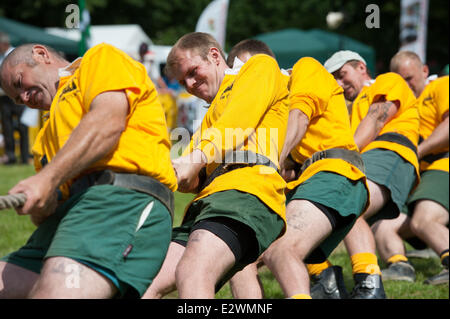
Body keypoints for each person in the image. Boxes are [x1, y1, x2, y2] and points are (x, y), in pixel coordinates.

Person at [0, 42, 177, 298]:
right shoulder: (44, 138)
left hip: (120, 201)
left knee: (56, 292)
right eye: (18, 99)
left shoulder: (97, 59)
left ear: (41, 54)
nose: (25, 99)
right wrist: (40, 202)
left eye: (20, 83)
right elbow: (49, 206)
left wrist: (46, 179)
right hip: (68, 219)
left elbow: (108, 122)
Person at [142, 32, 289, 299]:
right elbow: (191, 177)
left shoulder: (259, 66)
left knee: (193, 271)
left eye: (192, 71)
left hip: (248, 192)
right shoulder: (210, 117)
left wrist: (194, 160)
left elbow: (236, 124)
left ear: (213, 55)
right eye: (182, 80)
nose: (189, 84)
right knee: (145, 281)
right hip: (209, 203)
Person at [318, 50, 419, 298]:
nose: (341, 84)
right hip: (365, 159)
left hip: (389, 150)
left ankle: (366, 283)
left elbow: (376, 120)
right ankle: (328, 280)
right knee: (333, 209)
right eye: (335, 80)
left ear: (362, 67)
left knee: (346, 203)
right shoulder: (348, 111)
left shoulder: (387, 81)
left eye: (343, 75)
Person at [372, 51, 448, 285]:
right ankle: (399, 266)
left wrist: (417, 152)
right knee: (381, 223)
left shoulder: (441, 86)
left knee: (423, 221)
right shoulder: (400, 104)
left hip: (442, 165)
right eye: (399, 80)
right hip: (416, 177)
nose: (405, 85)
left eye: (409, 78)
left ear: (424, 71)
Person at [0, 31, 30, 165]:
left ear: (4, 43)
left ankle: (24, 157)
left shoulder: (16, 54)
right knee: (7, 128)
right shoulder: (0, 57)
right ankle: (11, 157)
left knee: (23, 126)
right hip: (4, 98)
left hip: (18, 95)